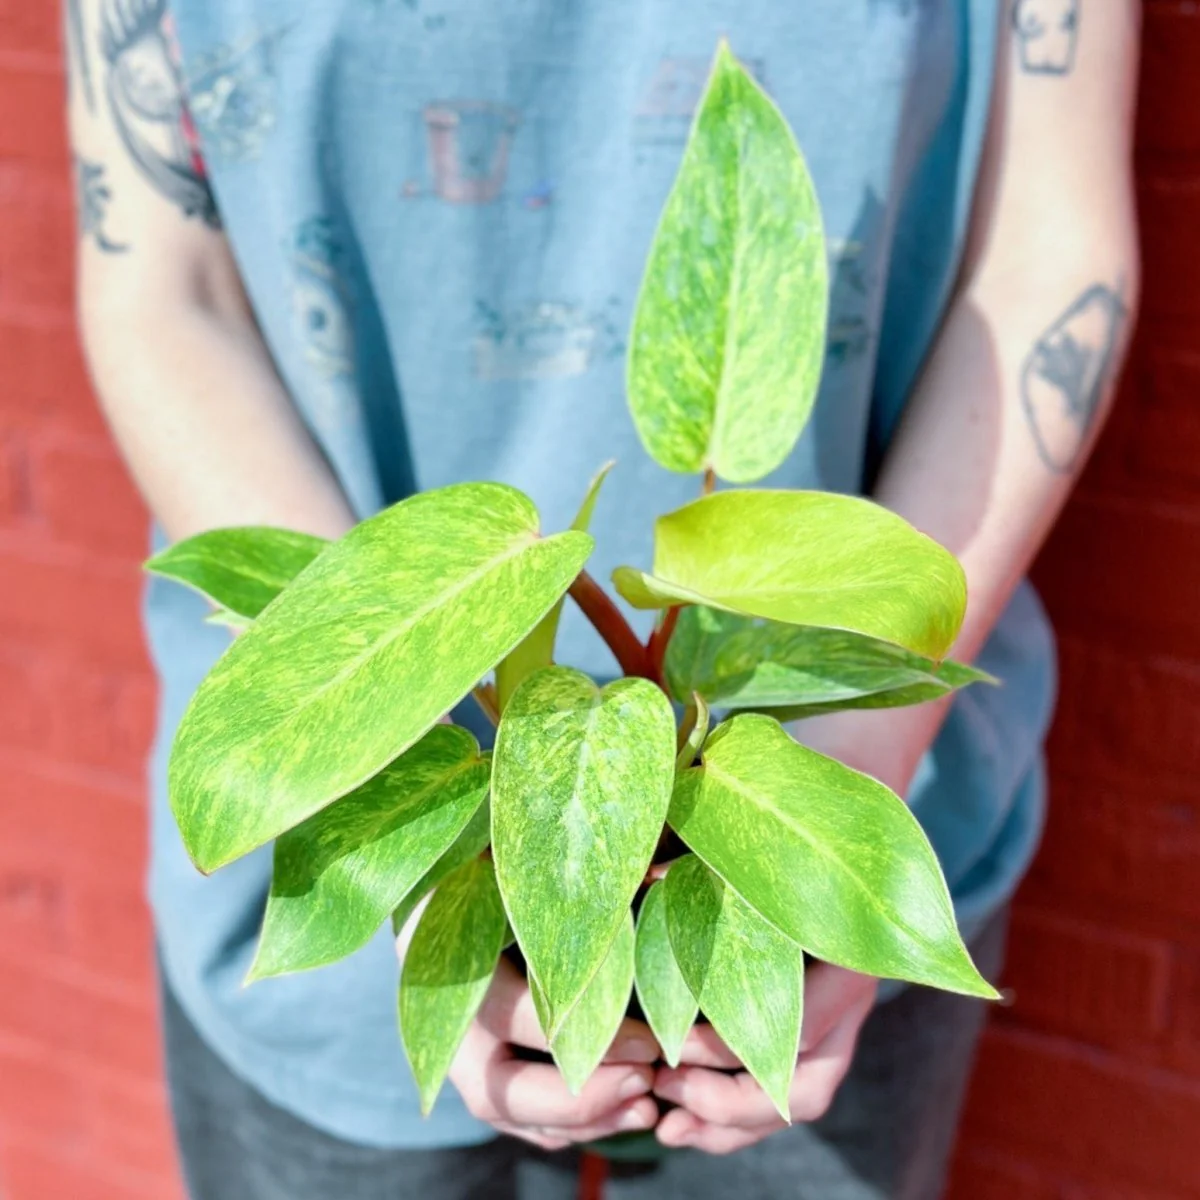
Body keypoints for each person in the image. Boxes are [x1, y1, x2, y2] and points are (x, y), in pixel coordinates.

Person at [65, 0, 1140, 1196]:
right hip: (362, 853)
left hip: (818, 885)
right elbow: (166, 286)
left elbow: (1052, 248)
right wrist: (434, 880)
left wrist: (837, 807)